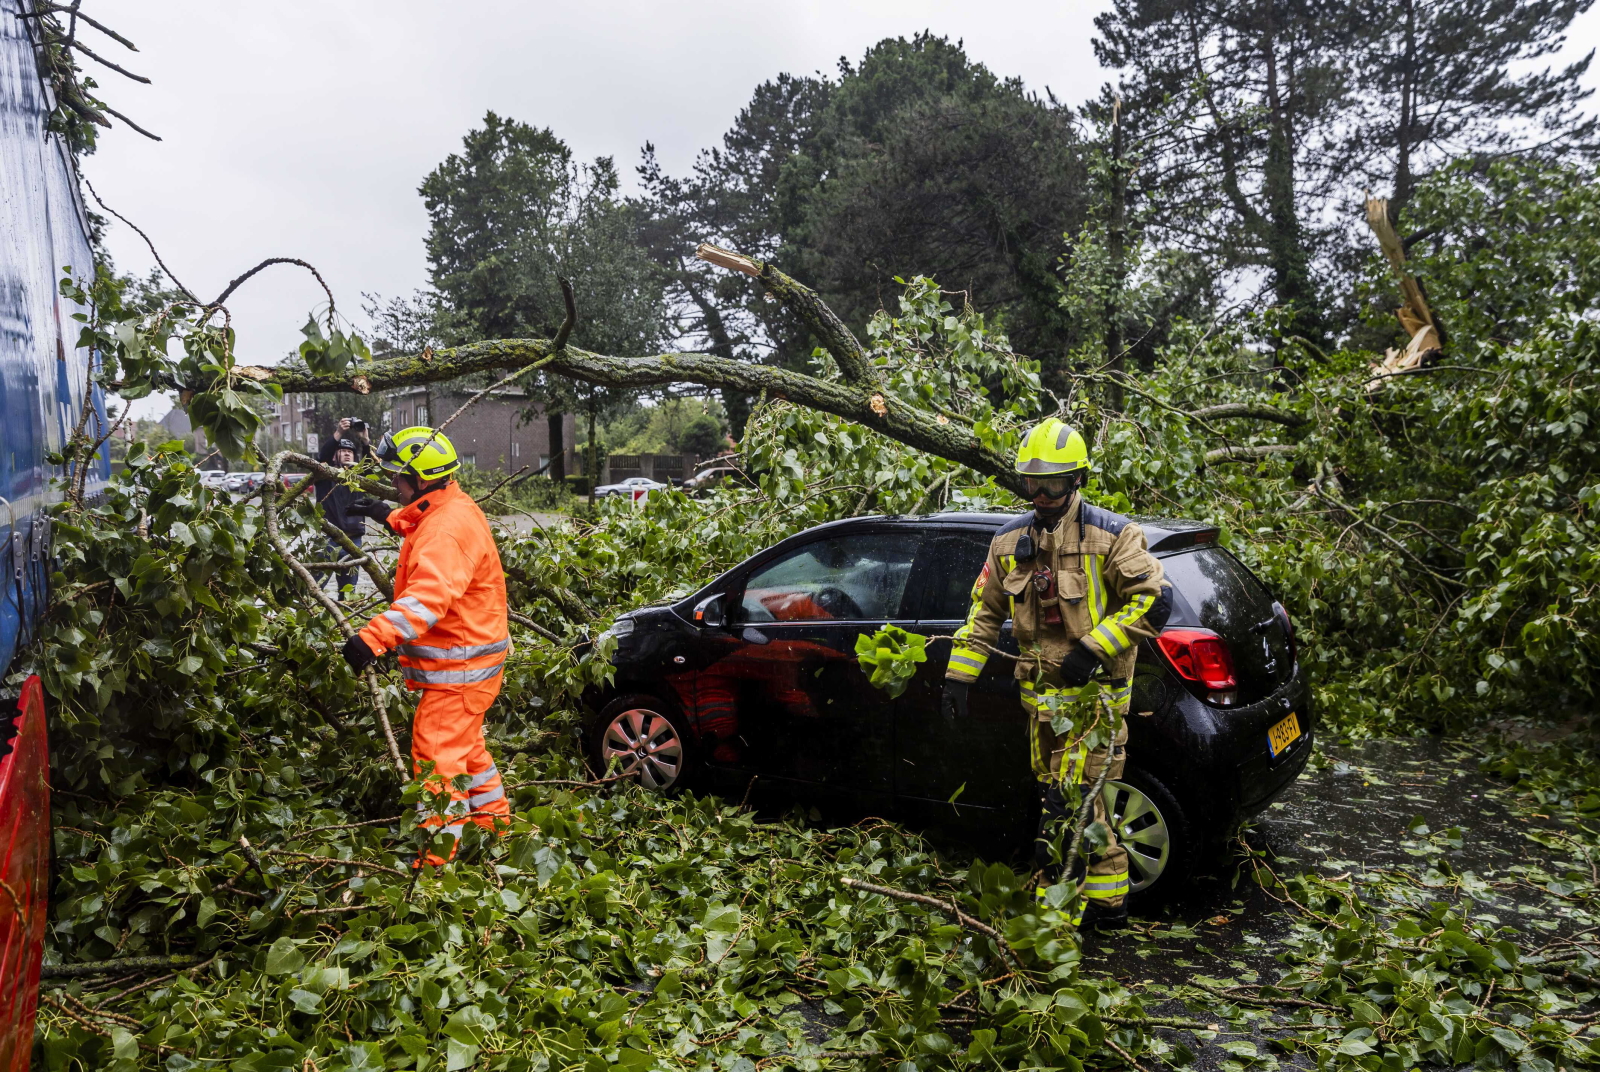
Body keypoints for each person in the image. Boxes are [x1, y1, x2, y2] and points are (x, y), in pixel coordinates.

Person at [940, 418, 1172, 930]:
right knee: (1087, 804)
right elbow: (984, 613)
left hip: (1095, 706)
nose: (1041, 495)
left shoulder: (1113, 536)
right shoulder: (1007, 542)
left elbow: (1156, 602)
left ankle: (1052, 912)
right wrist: (960, 676)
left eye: (1053, 484)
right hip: (1039, 704)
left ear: (1077, 481)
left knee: (1064, 806)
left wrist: (1093, 648)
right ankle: (1111, 905)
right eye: (1032, 484)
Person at [340, 426, 512, 863]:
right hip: (474, 660)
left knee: (437, 762)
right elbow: (428, 527)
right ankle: (494, 825)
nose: (393, 482)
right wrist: (389, 515)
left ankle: (437, 862)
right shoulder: (449, 506)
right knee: (467, 751)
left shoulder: (445, 530)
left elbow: (428, 597)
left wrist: (370, 639)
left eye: (397, 477)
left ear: (419, 479)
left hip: (459, 669)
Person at [313, 438, 369, 598]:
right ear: (334, 455)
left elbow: (371, 466)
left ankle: (346, 615)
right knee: (316, 585)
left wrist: (365, 441)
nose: (347, 453)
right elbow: (321, 458)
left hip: (353, 539)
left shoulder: (359, 478)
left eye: (350, 451)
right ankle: (310, 612)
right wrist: (337, 435)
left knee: (348, 589)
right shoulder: (324, 476)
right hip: (327, 539)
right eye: (343, 450)